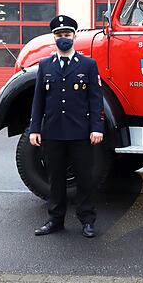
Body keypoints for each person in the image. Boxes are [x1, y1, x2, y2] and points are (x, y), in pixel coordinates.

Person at [29, 15, 104, 238]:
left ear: (74, 37)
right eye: (60, 35)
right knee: (56, 179)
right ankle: (55, 219)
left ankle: (87, 220)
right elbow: (38, 100)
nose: (64, 39)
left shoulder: (88, 65)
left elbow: (95, 99)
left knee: (84, 179)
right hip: (52, 133)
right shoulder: (44, 65)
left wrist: (97, 127)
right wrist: (35, 129)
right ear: (54, 38)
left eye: (67, 35)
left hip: (80, 133)